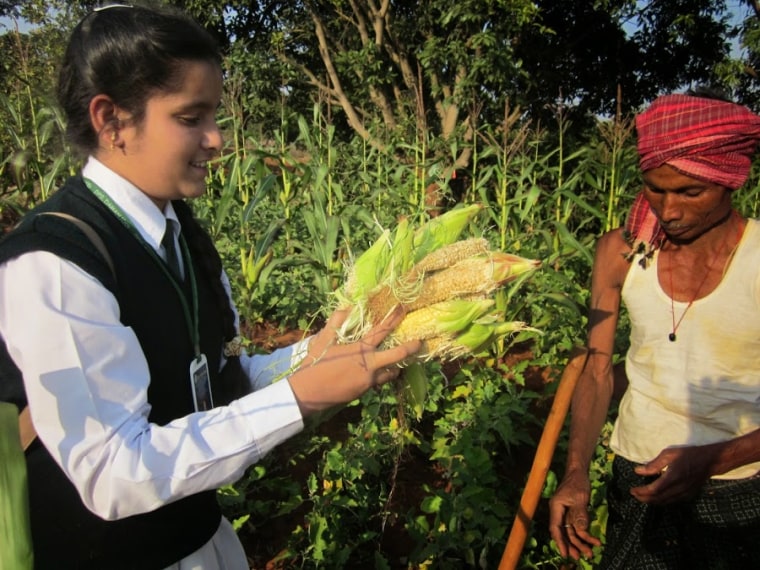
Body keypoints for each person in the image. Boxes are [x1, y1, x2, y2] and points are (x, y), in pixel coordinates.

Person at [0, 4, 420, 569]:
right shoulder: (57, 264)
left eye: (214, 115)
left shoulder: (179, 234)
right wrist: (301, 395)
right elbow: (113, 473)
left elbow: (213, 381)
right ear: (112, 120)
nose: (217, 138)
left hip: (198, 539)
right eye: (190, 117)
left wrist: (312, 354)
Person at [548, 88, 760, 569]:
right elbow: (597, 372)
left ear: (731, 181)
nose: (669, 210)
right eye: (654, 188)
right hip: (635, 474)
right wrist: (576, 473)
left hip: (741, 488)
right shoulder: (620, 252)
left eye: (690, 192)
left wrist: (715, 459)